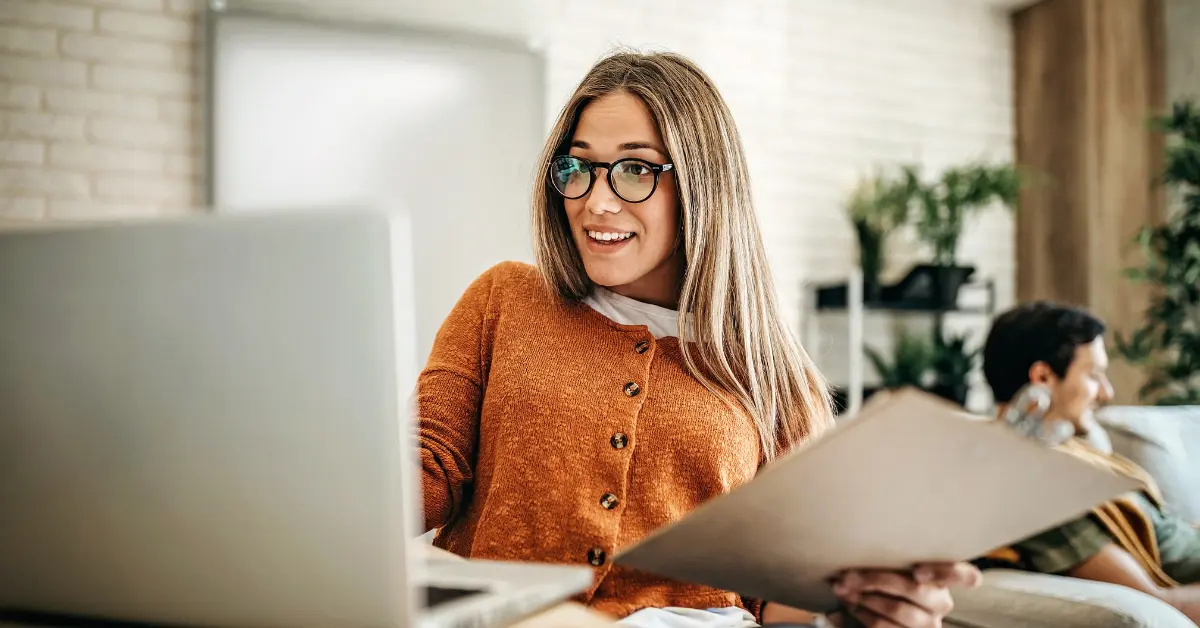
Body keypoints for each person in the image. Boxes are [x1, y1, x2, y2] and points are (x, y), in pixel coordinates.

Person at [416, 51, 981, 628]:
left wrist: (862, 610)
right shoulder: (504, 299)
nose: (595, 200)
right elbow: (426, 468)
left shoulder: (775, 377)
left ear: (702, 186)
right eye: (578, 167)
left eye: (636, 169)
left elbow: (784, 595)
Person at [979, 301, 1200, 624]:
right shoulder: (1037, 487)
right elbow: (1162, 605)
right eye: (1094, 375)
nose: (1106, 392)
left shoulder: (1069, 455)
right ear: (1042, 376)